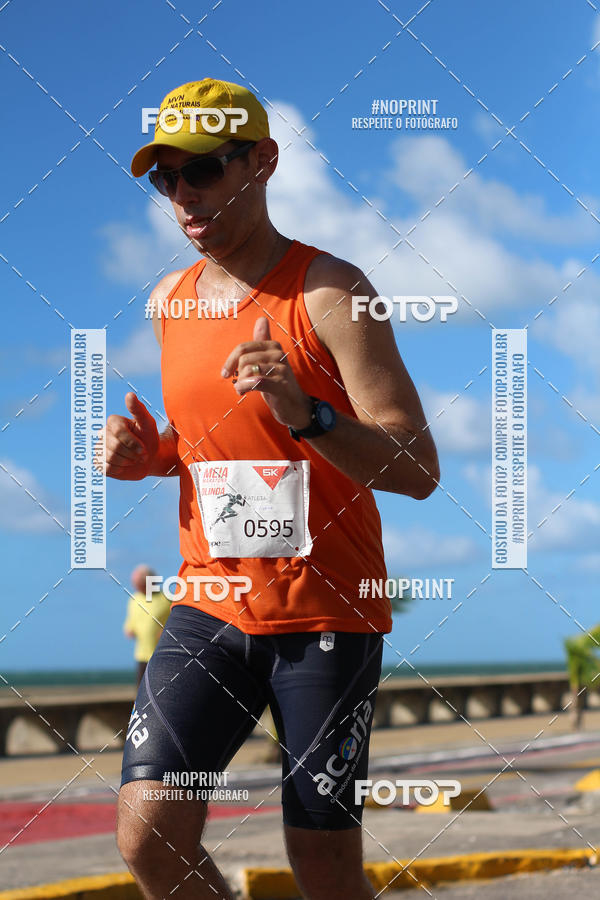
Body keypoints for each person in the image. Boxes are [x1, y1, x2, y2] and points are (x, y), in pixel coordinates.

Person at [99, 77, 439, 900]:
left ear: (263, 162)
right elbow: (218, 447)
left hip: (325, 615)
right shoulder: (167, 303)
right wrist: (158, 456)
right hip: (209, 604)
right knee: (148, 836)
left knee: (321, 864)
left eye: (203, 171)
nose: (182, 196)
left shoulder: (330, 292)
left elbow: (417, 468)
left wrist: (309, 413)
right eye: (164, 178)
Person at [123, 564, 172, 686]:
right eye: (135, 584)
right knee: (140, 694)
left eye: (140, 584)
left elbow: (177, 622)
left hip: (162, 655)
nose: (137, 587)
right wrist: (129, 630)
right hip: (142, 655)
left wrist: (165, 631)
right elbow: (130, 623)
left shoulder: (167, 598)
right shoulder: (133, 599)